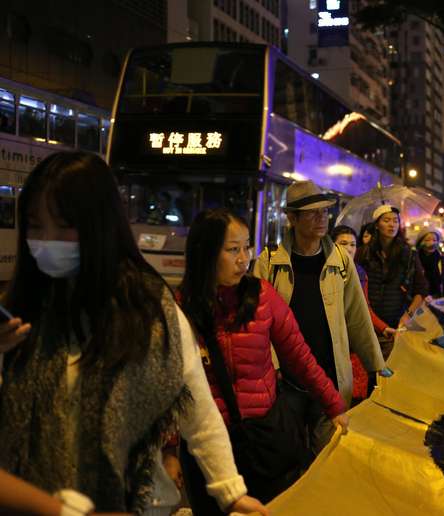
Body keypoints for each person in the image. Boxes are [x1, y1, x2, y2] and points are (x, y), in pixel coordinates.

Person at [0, 152, 266, 515]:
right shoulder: (22, 307)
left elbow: (196, 404)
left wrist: (230, 490)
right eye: (34, 225)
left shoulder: (149, 311)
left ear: (98, 225)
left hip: (134, 505)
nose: (46, 240)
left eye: (63, 225)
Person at [177, 209, 348, 508]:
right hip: (207, 445)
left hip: (265, 439)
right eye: (232, 250)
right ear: (205, 252)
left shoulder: (263, 297)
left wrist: (335, 407)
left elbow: (299, 356)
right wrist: (168, 450)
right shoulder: (179, 307)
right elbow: (170, 386)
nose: (244, 258)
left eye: (246, 247)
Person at [255, 181, 385, 453]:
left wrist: (377, 365)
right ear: (292, 218)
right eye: (312, 213)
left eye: (324, 212)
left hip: (330, 380)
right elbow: (258, 324)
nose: (321, 219)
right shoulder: (269, 263)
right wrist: (275, 367)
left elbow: (358, 318)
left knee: (325, 458)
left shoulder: (340, 261)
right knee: (288, 457)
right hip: (286, 383)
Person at [357, 204, 429, 359]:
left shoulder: (408, 253)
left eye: (395, 221)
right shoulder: (364, 253)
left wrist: (407, 315)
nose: (392, 224)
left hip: (398, 324)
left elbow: (421, 289)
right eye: (386, 220)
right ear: (377, 225)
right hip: (368, 324)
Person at [331, 225, 394, 400]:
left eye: (352, 244)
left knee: (353, 397)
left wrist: (383, 328)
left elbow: (364, 309)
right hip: (330, 343)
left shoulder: (359, 273)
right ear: (331, 245)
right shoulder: (324, 271)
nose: (349, 248)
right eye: (343, 243)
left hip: (353, 344)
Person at [415, 229, 444, 298]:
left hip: (438, 297)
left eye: (434, 240)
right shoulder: (414, 259)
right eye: (427, 240)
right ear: (420, 242)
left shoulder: (443, 260)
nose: (432, 243)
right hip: (418, 298)